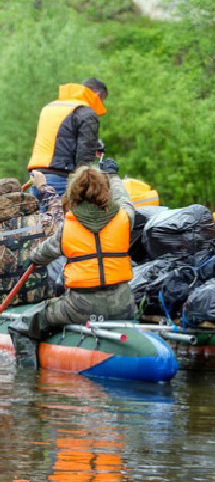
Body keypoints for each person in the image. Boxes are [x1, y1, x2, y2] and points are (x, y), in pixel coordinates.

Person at [9, 159, 136, 368]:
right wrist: (113, 176)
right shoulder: (124, 216)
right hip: (123, 305)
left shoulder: (68, 226)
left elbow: (41, 253)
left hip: (79, 307)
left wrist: (30, 259)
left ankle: (29, 386)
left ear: (74, 192)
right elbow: (125, 200)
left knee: (21, 327)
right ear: (105, 190)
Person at [27, 78, 108, 196]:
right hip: (61, 179)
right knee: (59, 215)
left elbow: (58, 140)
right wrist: (86, 186)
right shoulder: (86, 112)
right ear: (97, 95)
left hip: (36, 177)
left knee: (40, 214)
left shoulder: (51, 107)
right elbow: (84, 156)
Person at [0, 170, 64, 305]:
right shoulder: (41, 222)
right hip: (39, 295)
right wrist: (43, 187)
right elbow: (60, 219)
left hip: (5, 300)